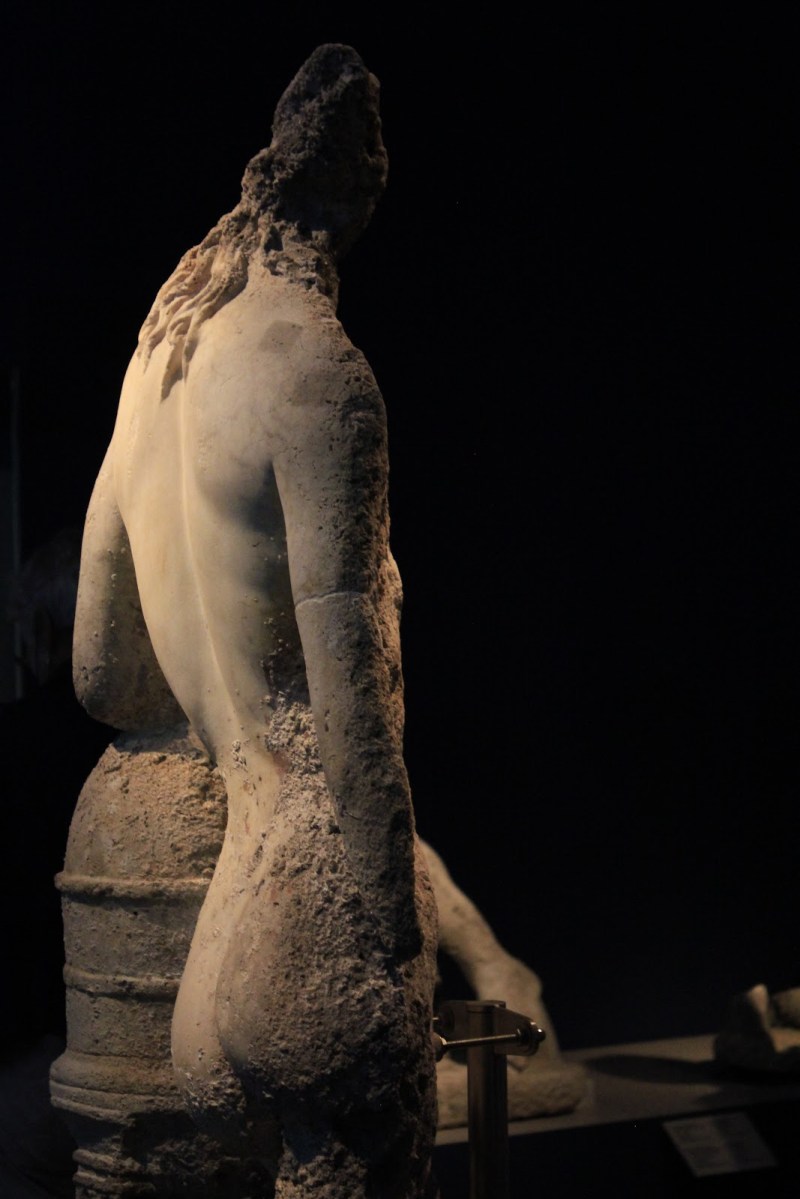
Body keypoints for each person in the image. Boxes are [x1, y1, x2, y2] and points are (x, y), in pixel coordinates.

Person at [71, 44, 437, 1196]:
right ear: (353, 194)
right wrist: (394, 931)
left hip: (212, 950)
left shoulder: (157, 368)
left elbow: (102, 673)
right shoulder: (318, 374)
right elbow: (351, 710)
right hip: (313, 912)